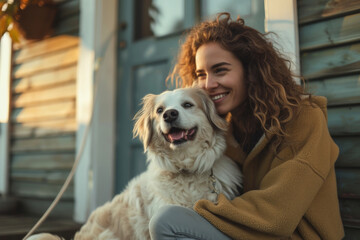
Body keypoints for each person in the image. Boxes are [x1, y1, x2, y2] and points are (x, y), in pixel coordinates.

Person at [149, 12, 344, 240]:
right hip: (249, 233)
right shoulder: (224, 131)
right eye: (201, 74)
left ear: (251, 72)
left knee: (167, 221)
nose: (208, 85)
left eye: (220, 70)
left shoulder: (304, 119)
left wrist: (195, 211)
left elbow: (277, 215)